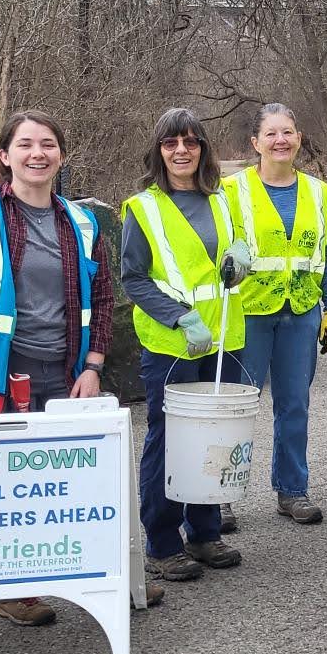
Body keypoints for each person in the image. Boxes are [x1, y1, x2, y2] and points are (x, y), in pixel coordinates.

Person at [0, 110, 159, 622]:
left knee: (68, 483)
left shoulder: (79, 221)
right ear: (4, 156)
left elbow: (101, 300)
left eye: (49, 144)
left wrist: (93, 366)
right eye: (26, 144)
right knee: (5, 482)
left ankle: (93, 575)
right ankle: (13, 589)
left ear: (61, 154)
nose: (38, 154)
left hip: (64, 372)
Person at [121, 108, 254, 581]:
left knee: (214, 439)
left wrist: (242, 257)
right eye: (171, 143)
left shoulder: (221, 199)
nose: (182, 151)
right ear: (159, 151)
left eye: (192, 142)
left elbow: (239, 248)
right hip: (173, 344)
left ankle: (204, 533)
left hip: (224, 337)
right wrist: (179, 317)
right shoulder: (143, 208)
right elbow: (133, 279)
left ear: (203, 149)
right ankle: (161, 541)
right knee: (169, 439)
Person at [230, 102, 327, 526]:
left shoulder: (317, 192)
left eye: (289, 132)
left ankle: (292, 489)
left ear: (298, 139)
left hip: (300, 313)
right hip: (249, 311)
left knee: (294, 405)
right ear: (256, 142)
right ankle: (221, 495)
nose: (281, 141)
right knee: (239, 407)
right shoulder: (231, 190)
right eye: (272, 134)